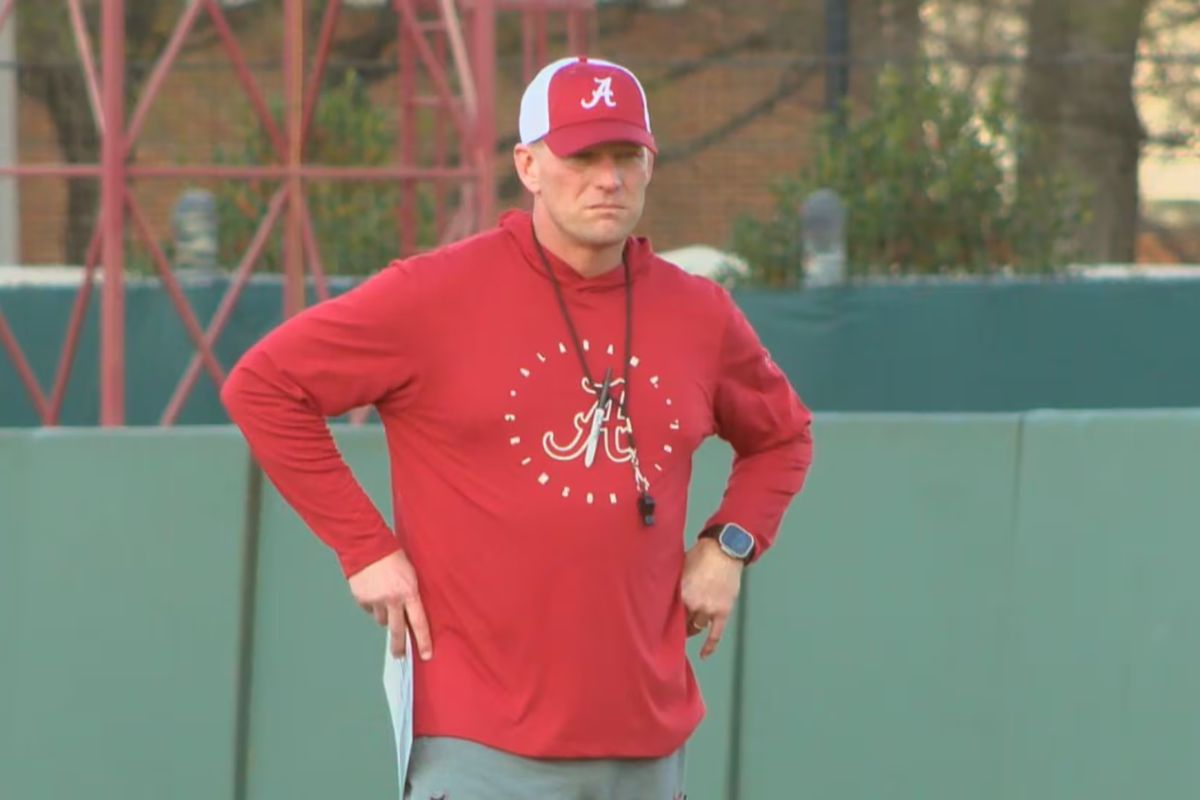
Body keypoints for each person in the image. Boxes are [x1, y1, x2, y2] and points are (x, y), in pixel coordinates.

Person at [220, 55, 814, 800]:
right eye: (583, 156)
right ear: (529, 165)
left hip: (648, 737)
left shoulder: (699, 312)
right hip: (482, 739)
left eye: (627, 156)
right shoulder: (433, 294)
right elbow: (265, 386)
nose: (609, 179)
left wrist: (729, 545)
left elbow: (783, 436)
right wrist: (364, 547)